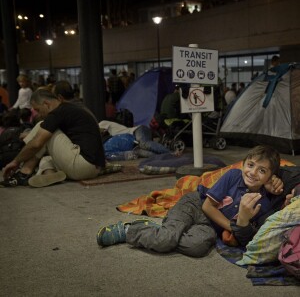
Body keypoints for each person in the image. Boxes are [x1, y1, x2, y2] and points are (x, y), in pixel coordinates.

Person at [97, 145, 284, 257]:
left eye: (262, 170)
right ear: (243, 164)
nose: (252, 173)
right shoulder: (234, 176)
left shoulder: (264, 204)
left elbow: (248, 241)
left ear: (270, 177)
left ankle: (159, 230)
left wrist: (242, 221)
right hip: (195, 205)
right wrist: (231, 225)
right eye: (250, 165)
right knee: (165, 240)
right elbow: (207, 206)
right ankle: (129, 230)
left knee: (197, 247)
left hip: (210, 226)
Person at [0, 89, 105, 188]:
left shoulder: (57, 113)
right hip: (94, 167)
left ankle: (24, 172)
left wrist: (15, 161)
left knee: (42, 127)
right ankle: (50, 173)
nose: (39, 114)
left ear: (46, 104)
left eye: (38, 110)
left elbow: (36, 144)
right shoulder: (70, 108)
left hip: (83, 164)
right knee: (46, 159)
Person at [99, 120, 171, 158]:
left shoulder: (101, 124)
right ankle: (166, 157)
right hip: (134, 144)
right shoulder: (108, 140)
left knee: (144, 144)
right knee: (148, 155)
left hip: (137, 130)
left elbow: (101, 130)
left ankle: (170, 152)